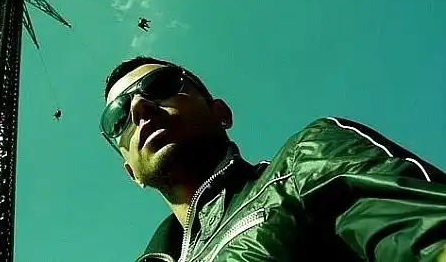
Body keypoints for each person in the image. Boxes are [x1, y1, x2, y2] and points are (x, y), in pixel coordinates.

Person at [99, 56, 446, 262]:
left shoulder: (306, 163)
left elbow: (422, 235)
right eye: (117, 118)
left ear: (221, 112)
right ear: (131, 172)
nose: (139, 108)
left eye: (160, 85)